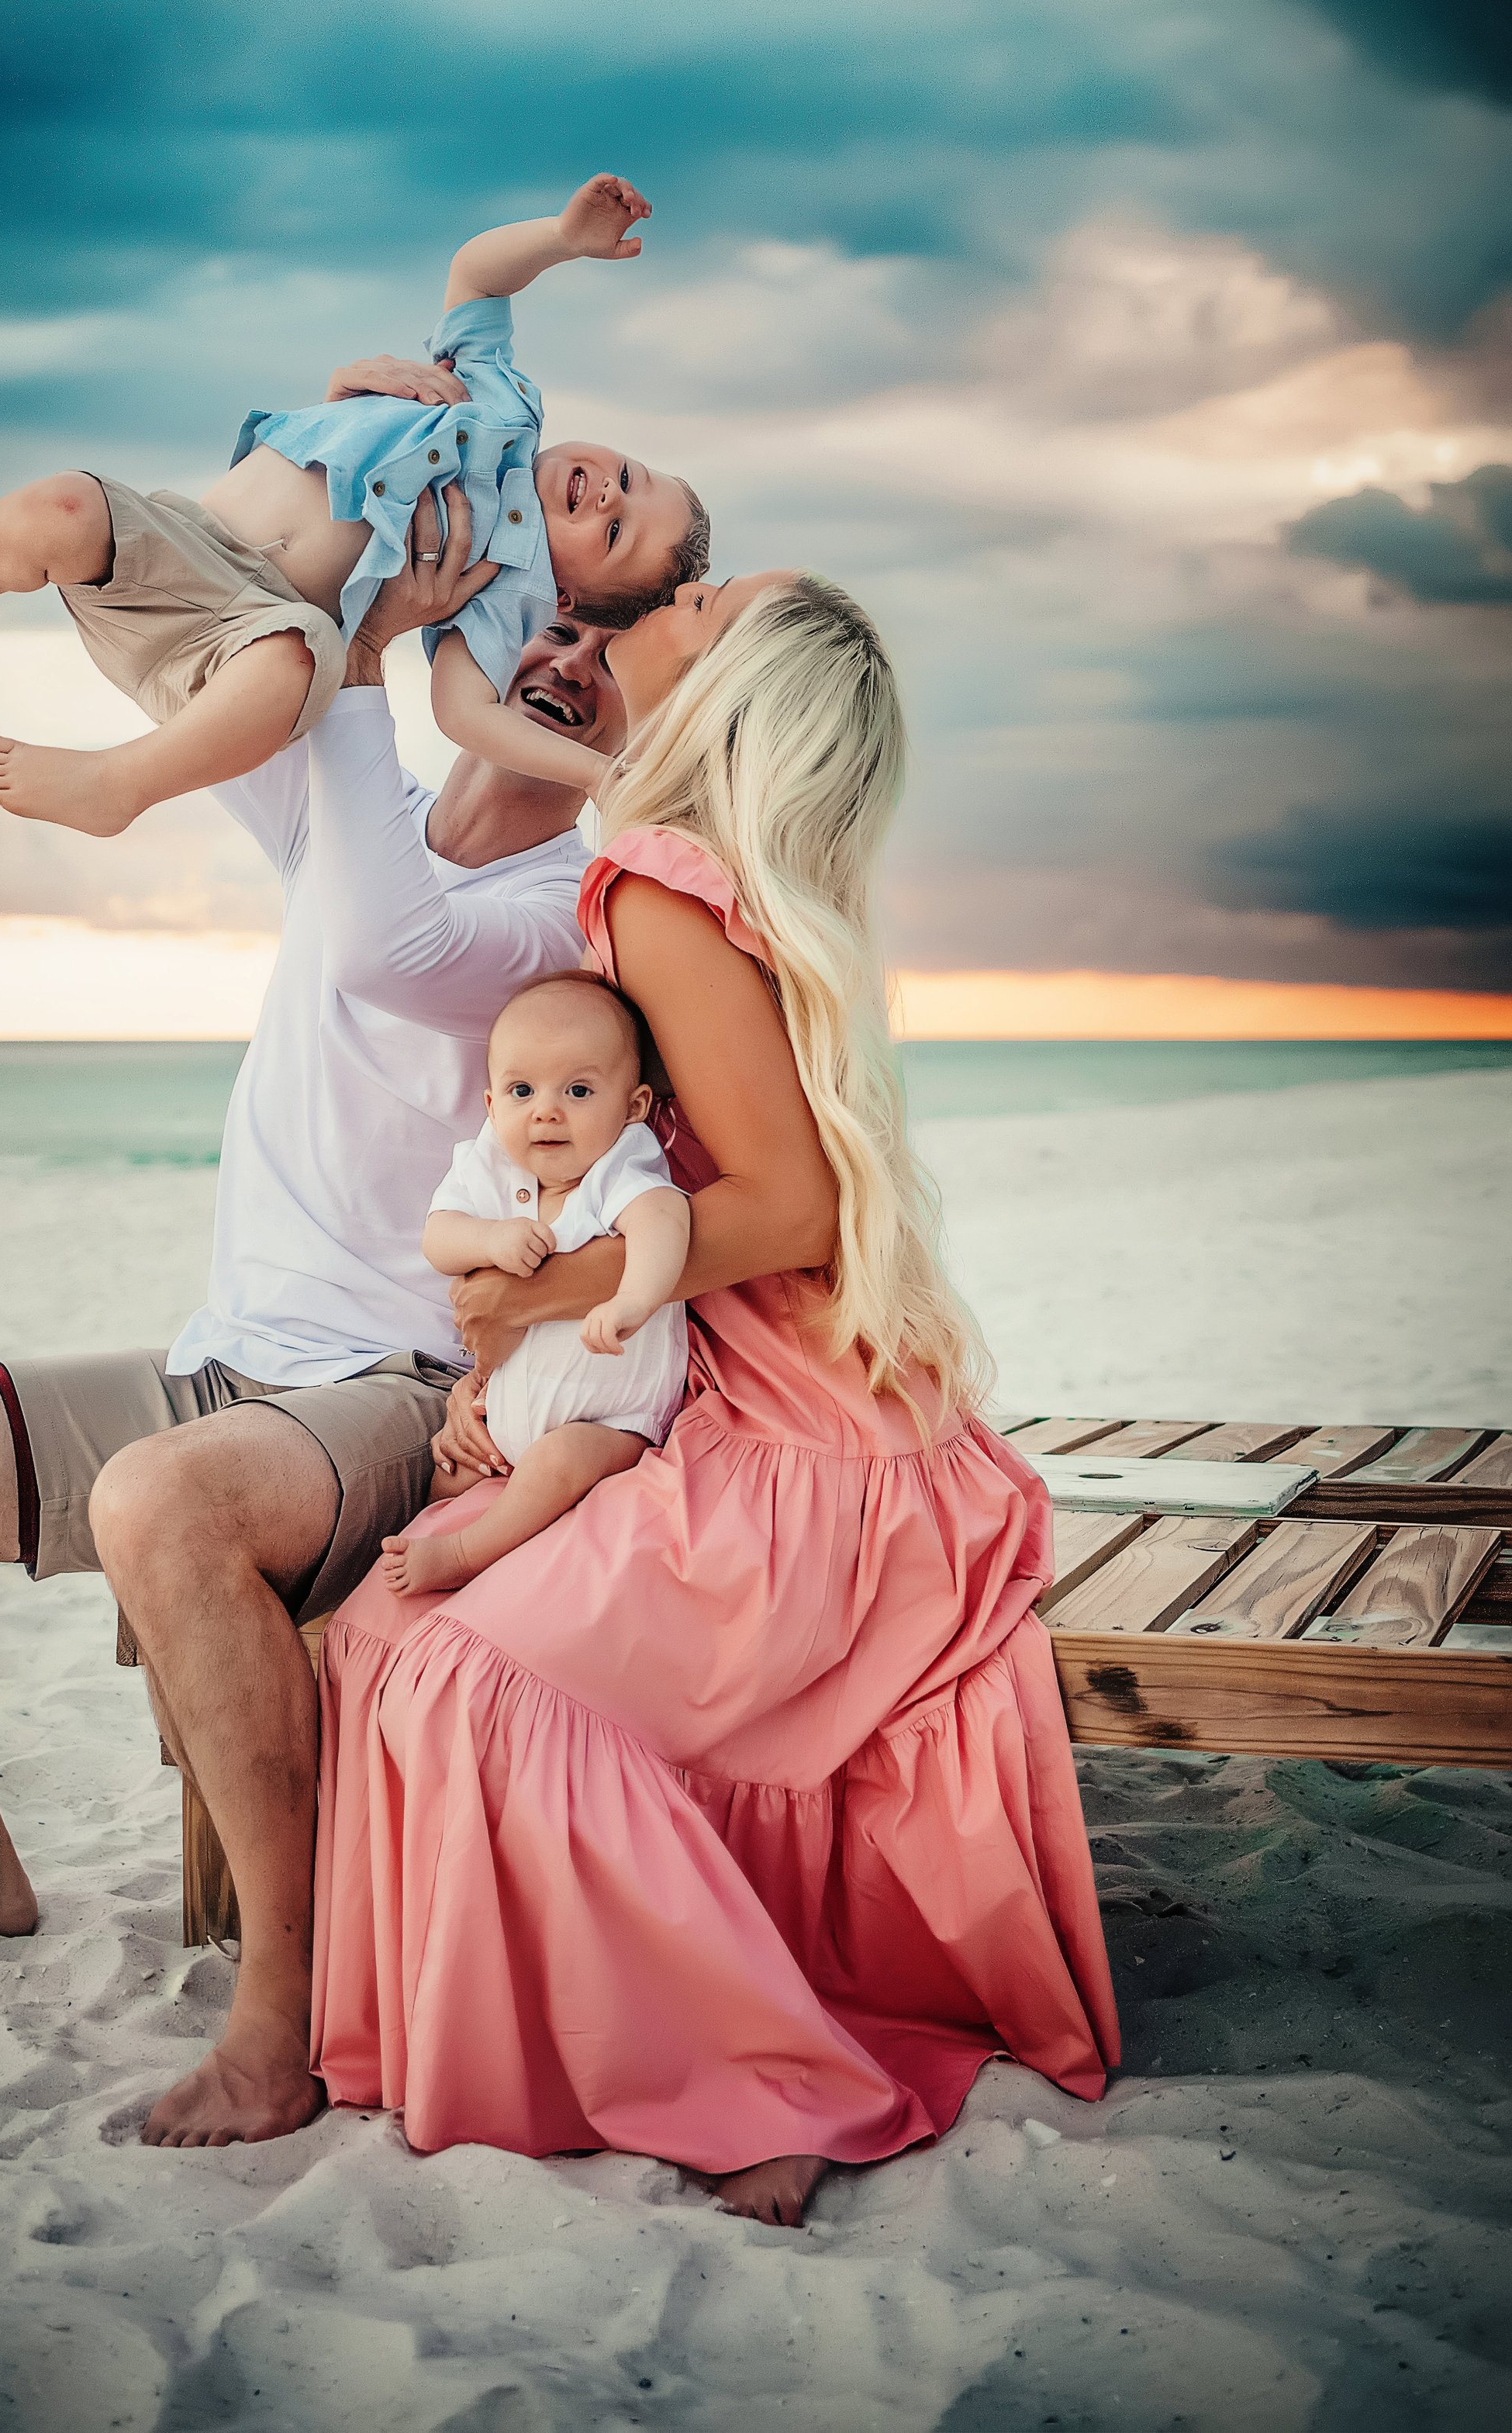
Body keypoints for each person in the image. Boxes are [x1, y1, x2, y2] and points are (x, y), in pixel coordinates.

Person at [0, 414, 630, 2155]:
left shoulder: (567, 912)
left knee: (160, 1499)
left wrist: (369, 661)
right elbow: (217, 649)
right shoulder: (357, 819)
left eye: (609, 660)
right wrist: (306, 477)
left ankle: (277, 2017)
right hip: (221, 1363)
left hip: (389, 1389)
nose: (567, 661)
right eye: (553, 621)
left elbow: (390, 936)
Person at [312, 568, 1120, 2227]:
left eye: (702, 597)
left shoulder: (660, 884)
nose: (664, 596)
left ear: (731, 684)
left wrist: (532, 1296)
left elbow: (795, 1209)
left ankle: (754, 2077)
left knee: (462, 1662)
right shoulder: (704, 877)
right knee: (394, 1625)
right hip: (759, 1400)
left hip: (803, 1437)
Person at [0, 175, 708, 833]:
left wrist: (598, 777)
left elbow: (463, 715)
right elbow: (477, 276)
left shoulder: (501, 586)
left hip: (239, 640)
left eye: (615, 531)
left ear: (567, 595)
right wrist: (560, 238)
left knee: (300, 657)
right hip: (173, 545)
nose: (608, 494)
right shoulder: (501, 397)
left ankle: (120, 784)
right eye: (630, 478)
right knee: (61, 503)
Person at [382, 972, 690, 1599]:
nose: (546, 1110)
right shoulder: (489, 1163)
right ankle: (431, 1543)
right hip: (507, 1410)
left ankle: (464, 1555)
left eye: (578, 1090)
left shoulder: (617, 1165)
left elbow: (663, 1218)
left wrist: (634, 1298)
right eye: (522, 1090)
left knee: (556, 1463)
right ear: (493, 1104)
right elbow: (439, 1238)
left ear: (634, 1106)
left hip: (609, 1421)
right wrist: (489, 1238)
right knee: (450, 1469)